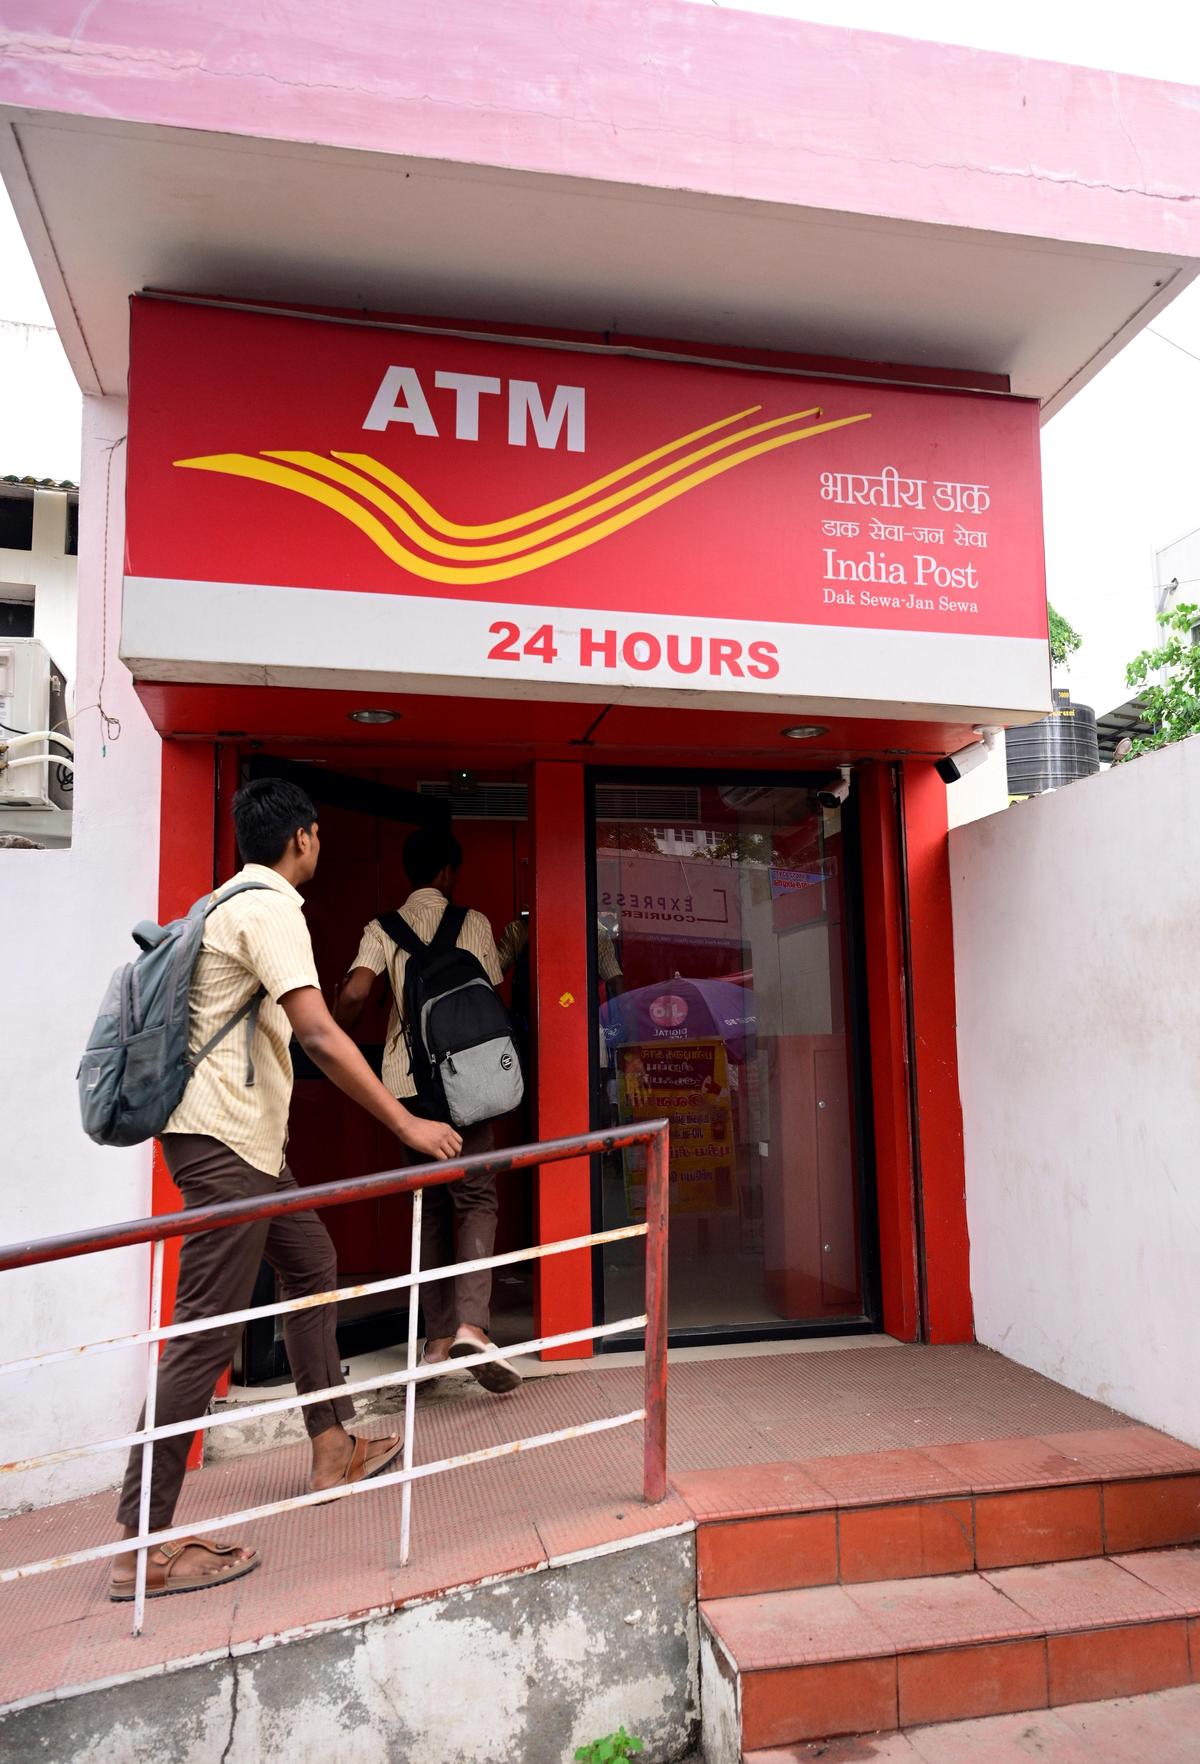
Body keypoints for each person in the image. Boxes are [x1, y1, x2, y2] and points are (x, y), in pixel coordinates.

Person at [110, 779, 462, 1602]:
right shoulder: (270, 908)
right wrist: (405, 1126)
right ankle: (141, 1545)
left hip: (245, 1145)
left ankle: (331, 1441)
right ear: (304, 837)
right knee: (205, 1333)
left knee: (310, 1264)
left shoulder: (221, 900)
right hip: (227, 1144)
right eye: (316, 836)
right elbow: (318, 1031)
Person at [335, 827, 521, 1394]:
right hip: (467, 1081)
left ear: (411, 873)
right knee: (477, 1197)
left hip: (406, 1087)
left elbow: (358, 993)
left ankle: (436, 1342)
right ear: (447, 873)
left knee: (432, 1205)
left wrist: (332, 1037)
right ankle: (471, 1325)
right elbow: (486, 987)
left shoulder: (381, 929)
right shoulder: (474, 923)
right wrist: (516, 943)